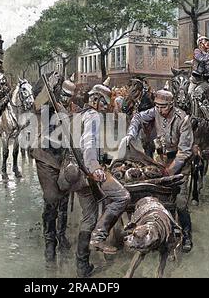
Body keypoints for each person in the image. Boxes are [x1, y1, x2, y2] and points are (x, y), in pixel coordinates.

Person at [123, 89, 194, 253]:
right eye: (157, 106)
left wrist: (170, 170)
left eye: (163, 107)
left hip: (180, 164)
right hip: (160, 160)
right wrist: (130, 134)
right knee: (158, 197)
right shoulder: (155, 111)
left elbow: (184, 152)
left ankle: (187, 235)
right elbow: (139, 117)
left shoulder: (183, 119)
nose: (159, 110)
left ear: (171, 104)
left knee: (181, 203)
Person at [75, 83, 130, 278]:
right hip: (88, 171)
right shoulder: (94, 116)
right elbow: (88, 143)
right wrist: (95, 167)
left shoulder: (80, 115)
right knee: (122, 197)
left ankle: (82, 266)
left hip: (76, 176)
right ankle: (99, 238)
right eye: (105, 103)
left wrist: (106, 159)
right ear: (96, 100)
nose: (106, 107)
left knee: (89, 217)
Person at [30, 79, 77, 265]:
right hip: (46, 157)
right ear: (59, 93)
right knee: (51, 198)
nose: (65, 99)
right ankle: (50, 241)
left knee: (64, 198)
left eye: (69, 96)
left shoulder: (72, 109)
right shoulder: (50, 106)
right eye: (63, 95)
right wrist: (48, 85)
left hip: (64, 158)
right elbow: (36, 105)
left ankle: (61, 234)